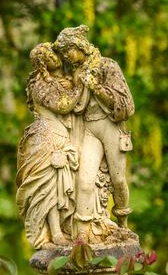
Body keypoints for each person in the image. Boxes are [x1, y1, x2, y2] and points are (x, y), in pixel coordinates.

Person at [54, 26, 135, 232]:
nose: (66, 57)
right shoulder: (76, 73)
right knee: (84, 180)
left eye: (68, 50)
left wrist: (96, 88)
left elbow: (126, 105)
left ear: (80, 46)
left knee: (118, 180)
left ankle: (123, 225)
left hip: (110, 127)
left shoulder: (107, 66)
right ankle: (82, 234)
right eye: (63, 53)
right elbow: (74, 105)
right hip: (90, 129)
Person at [15, 43, 83, 248]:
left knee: (61, 186)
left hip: (59, 138)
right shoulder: (40, 85)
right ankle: (51, 234)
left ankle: (63, 229)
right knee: (47, 188)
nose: (54, 58)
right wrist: (82, 86)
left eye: (53, 54)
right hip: (46, 140)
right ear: (42, 63)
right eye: (48, 56)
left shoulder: (58, 81)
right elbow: (63, 106)